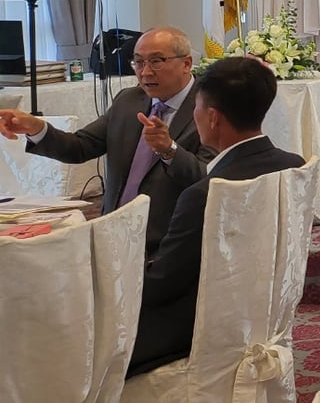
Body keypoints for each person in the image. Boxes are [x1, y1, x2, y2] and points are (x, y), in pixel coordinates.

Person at [129, 55, 304, 376]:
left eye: (195, 107)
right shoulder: (293, 164)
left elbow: (159, 289)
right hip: (259, 316)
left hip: (195, 331)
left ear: (211, 118)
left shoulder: (204, 195)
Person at [0, 27, 213, 255]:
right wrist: (36, 128)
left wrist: (169, 150)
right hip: (111, 234)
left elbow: (208, 180)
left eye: (157, 61)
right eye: (138, 62)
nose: (146, 72)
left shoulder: (210, 107)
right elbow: (79, 147)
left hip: (170, 246)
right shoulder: (128, 101)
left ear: (187, 64)